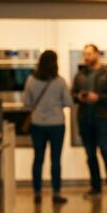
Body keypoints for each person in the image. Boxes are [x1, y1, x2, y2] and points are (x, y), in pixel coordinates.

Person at [71, 43, 107, 198]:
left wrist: (98, 97)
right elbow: (72, 94)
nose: (86, 57)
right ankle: (95, 187)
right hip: (85, 120)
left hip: (103, 120)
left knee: (106, 152)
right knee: (90, 155)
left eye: (89, 54)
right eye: (84, 54)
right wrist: (79, 97)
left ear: (97, 54)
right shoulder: (80, 75)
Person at [23, 50, 72, 204]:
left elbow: (26, 102)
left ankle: (37, 192)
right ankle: (56, 193)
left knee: (38, 158)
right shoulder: (60, 81)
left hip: (37, 124)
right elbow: (68, 102)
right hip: (57, 124)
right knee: (55, 160)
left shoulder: (31, 80)